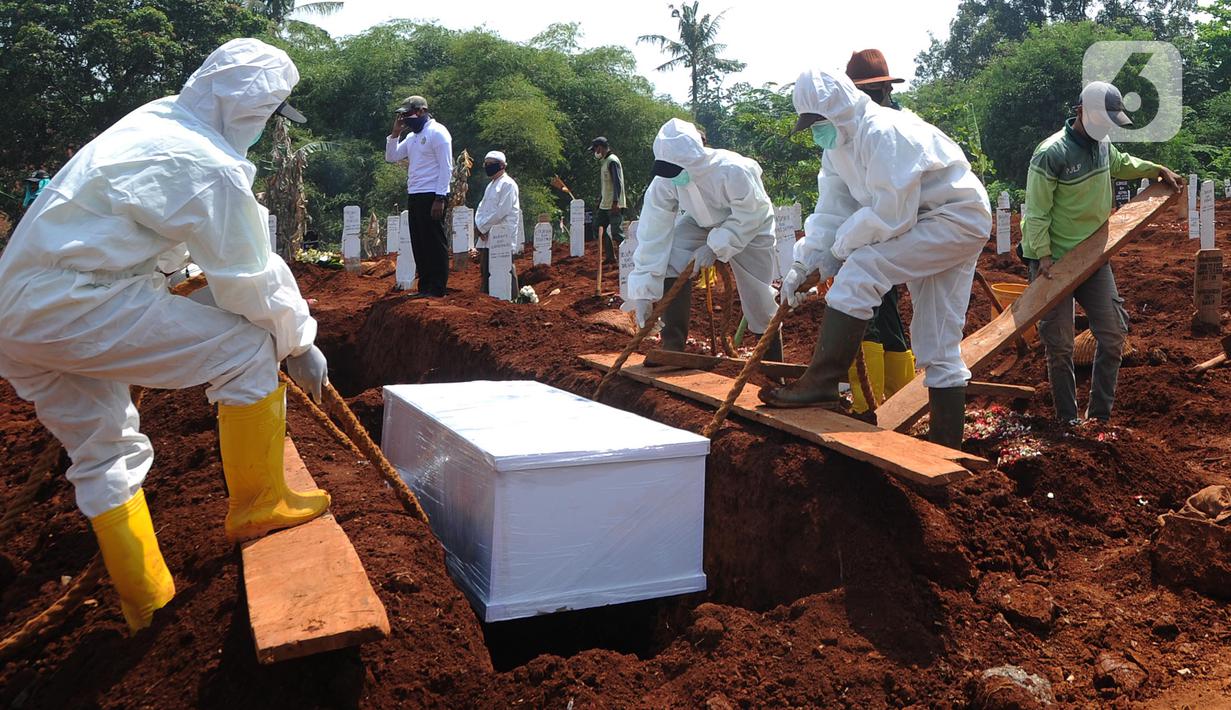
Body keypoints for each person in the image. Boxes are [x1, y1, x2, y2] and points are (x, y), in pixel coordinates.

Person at [0, 38, 331, 633]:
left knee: (103, 448)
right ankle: (261, 504)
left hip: (17, 313)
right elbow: (249, 278)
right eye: (265, 114)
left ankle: (145, 600)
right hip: (78, 303)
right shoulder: (209, 164)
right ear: (248, 108)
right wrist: (299, 342)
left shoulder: (156, 121)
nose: (263, 128)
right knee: (247, 345)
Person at [759, 69, 992, 452]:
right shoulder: (838, 148)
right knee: (938, 343)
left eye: (820, 122)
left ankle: (821, 383)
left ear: (840, 109)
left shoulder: (884, 132)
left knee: (863, 269)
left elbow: (890, 216)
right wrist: (805, 262)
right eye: (811, 125)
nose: (817, 132)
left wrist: (835, 256)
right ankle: (945, 450)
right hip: (928, 221)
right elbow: (833, 210)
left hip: (954, 218)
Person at [1022, 81, 1180, 425]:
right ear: (1082, 112)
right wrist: (1044, 256)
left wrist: (1154, 169)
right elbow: (1035, 211)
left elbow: (1122, 163)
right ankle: (1068, 422)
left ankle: (1098, 420)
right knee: (1060, 345)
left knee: (1112, 335)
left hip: (1093, 256)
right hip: (1054, 262)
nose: (1107, 127)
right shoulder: (1051, 153)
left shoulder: (1103, 146)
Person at [623, 118, 781, 361]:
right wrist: (643, 292)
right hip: (700, 222)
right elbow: (652, 232)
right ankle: (672, 346)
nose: (671, 175)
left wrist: (715, 247)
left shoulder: (734, 170)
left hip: (750, 228)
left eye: (676, 169)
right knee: (672, 252)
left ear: (694, 160)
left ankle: (771, 362)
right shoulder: (665, 180)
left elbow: (751, 215)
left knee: (758, 297)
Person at [843, 48, 915, 414]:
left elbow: (890, 203)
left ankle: (866, 405)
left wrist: (848, 242)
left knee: (865, 314)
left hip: (893, 233)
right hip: (879, 233)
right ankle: (897, 399)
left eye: (873, 92)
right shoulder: (858, 130)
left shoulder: (892, 129)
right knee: (886, 312)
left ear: (887, 89)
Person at [386, 95, 453, 297]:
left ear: (422, 111)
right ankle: (425, 286)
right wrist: (395, 133)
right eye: (403, 115)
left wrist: (440, 198)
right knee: (419, 242)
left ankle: (438, 287)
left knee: (434, 241)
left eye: (409, 114)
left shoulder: (437, 132)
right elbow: (392, 157)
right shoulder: (412, 137)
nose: (406, 119)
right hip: (415, 193)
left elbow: (446, 167)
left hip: (432, 194)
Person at [474, 150, 521, 297]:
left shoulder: (508, 184)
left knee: (504, 268)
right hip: (486, 235)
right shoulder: (490, 185)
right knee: (486, 269)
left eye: (491, 165)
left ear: (501, 166)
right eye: (486, 165)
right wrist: (479, 227)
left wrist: (484, 227)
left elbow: (502, 211)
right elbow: (481, 208)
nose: (487, 167)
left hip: (501, 232)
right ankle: (488, 298)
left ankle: (512, 298)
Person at [589, 137, 626, 264]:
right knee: (597, 228)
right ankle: (610, 257)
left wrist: (615, 202)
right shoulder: (604, 162)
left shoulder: (612, 161)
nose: (595, 152)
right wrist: (600, 199)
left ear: (600, 147)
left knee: (617, 233)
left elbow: (617, 183)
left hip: (614, 204)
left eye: (595, 149)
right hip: (605, 204)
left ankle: (628, 258)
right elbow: (606, 185)